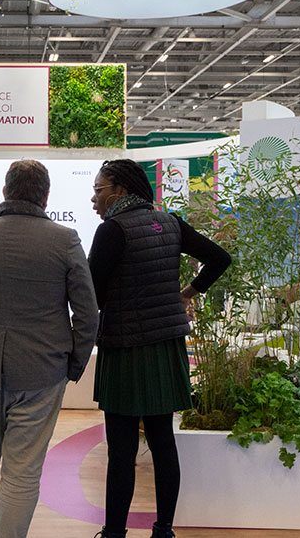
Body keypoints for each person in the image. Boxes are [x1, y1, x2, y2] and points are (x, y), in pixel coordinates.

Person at [0, 160, 99, 538]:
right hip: (42, 371)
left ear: (7, 190)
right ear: (46, 195)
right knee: (22, 473)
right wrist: (72, 365)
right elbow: (87, 312)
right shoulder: (65, 239)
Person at [88, 159, 231, 538]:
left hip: (124, 348)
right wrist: (187, 294)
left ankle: (115, 532)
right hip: (166, 346)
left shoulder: (112, 231)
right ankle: (164, 529)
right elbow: (220, 258)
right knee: (162, 441)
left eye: (98, 189)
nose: (93, 199)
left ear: (118, 190)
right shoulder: (170, 223)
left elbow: (93, 295)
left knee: (121, 451)